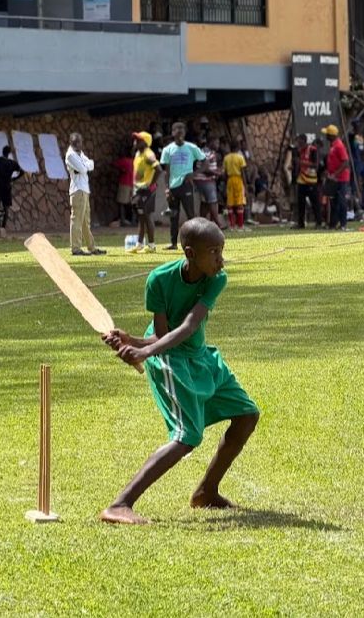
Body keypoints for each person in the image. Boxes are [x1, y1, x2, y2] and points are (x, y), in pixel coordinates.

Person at [99, 217, 260, 526]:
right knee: (187, 436)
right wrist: (135, 343)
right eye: (213, 252)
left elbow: (188, 327)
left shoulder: (216, 279)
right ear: (189, 253)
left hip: (199, 356)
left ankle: (206, 492)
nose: (220, 259)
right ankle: (120, 504)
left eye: (221, 250)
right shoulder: (159, 280)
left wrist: (140, 348)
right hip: (171, 361)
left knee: (246, 414)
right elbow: (162, 338)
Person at [160, 122, 206, 251]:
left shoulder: (191, 147)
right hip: (173, 187)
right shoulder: (167, 149)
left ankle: (195, 242)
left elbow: (205, 162)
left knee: (191, 215)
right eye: (176, 129)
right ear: (173, 132)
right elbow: (166, 171)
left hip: (186, 185)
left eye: (182, 129)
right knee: (173, 216)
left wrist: (194, 174)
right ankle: (173, 243)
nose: (179, 131)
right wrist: (167, 188)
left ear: (185, 132)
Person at [64, 132, 105, 256]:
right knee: (77, 220)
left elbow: (90, 164)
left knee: (85, 221)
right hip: (78, 191)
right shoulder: (70, 155)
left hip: (84, 190)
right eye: (76, 143)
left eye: (80, 142)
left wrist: (84, 166)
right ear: (71, 143)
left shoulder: (79, 153)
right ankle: (75, 248)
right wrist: (85, 166)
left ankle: (91, 247)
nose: (79, 144)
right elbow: (83, 169)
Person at [130, 131, 159, 253]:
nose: (135, 142)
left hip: (147, 191)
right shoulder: (138, 154)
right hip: (138, 189)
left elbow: (159, 169)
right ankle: (139, 244)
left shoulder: (149, 154)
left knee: (147, 216)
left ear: (145, 142)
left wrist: (150, 184)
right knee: (141, 217)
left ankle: (151, 245)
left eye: (138, 140)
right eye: (135, 139)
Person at [322, 124, 351, 230]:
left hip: (341, 179)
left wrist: (335, 174)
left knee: (341, 201)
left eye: (327, 134)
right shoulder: (333, 145)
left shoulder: (339, 146)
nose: (325, 136)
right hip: (333, 179)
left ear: (331, 135)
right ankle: (333, 224)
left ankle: (343, 224)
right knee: (333, 202)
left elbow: (345, 162)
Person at [194, 135, 223, 229]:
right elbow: (204, 169)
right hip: (204, 179)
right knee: (212, 200)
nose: (218, 145)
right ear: (211, 142)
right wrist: (216, 173)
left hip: (207, 179)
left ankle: (201, 223)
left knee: (205, 203)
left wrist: (217, 170)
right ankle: (218, 223)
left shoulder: (211, 152)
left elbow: (210, 166)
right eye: (216, 143)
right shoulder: (205, 152)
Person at [293, 135, 321, 229]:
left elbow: (316, 165)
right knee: (300, 203)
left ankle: (318, 222)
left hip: (311, 180)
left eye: (299, 141)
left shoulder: (313, 150)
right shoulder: (299, 151)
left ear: (304, 141)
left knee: (315, 202)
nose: (297, 144)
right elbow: (298, 165)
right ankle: (300, 223)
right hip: (301, 180)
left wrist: (303, 163)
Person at [222, 139, 247, 232]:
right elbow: (243, 172)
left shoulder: (226, 158)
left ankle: (232, 226)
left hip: (229, 180)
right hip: (238, 179)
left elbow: (224, 173)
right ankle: (240, 226)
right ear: (238, 147)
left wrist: (226, 183)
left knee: (230, 203)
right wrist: (245, 185)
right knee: (240, 203)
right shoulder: (240, 157)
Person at [112, 148, 135, 227]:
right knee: (132, 203)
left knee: (121, 203)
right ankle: (133, 220)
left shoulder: (124, 161)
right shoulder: (134, 161)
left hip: (124, 183)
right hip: (133, 184)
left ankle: (122, 220)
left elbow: (114, 165)